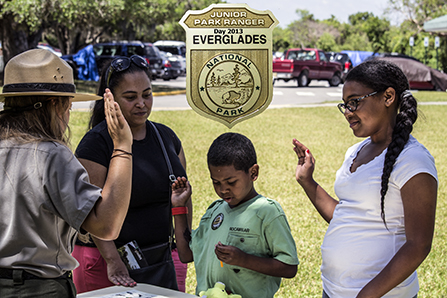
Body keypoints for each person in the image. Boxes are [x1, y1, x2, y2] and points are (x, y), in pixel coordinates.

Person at [293, 59, 438, 298]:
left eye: (355, 102)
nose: (348, 112)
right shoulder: (355, 151)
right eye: (345, 105)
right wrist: (308, 181)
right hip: (334, 290)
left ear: (388, 97)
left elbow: (418, 245)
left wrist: (366, 295)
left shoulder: (413, 160)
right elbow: (347, 216)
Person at [0, 49, 133, 298]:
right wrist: (123, 148)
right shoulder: (50, 155)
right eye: (68, 107)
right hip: (38, 288)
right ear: (54, 106)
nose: (68, 115)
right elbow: (106, 226)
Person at [72, 55, 191, 293]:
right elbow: (88, 212)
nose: (141, 103)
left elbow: (183, 197)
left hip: (162, 260)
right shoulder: (95, 144)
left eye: (147, 94)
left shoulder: (166, 137)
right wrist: (113, 261)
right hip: (108, 266)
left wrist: (183, 247)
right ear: (110, 98)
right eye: (130, 97)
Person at [171, 132, 299, 298]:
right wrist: (179, 207)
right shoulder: (214, 211)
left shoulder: (267, 212)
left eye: (231, 182)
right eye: (216, 182)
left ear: (253, 173)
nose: (223, 189)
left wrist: (244, 260)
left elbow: (289, 267)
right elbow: (186, 254)